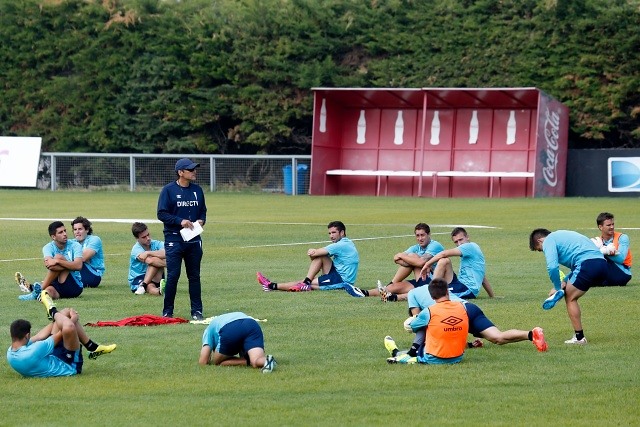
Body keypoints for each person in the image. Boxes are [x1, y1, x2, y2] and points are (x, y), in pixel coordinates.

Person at [384, 282, 547, 363]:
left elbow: (417, 322)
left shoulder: (413, 294)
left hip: (454, 314)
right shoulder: (438, 287)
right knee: (498, 337)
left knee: (429, 332)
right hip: (468, 308)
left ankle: (407, 355)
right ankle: (531, 334)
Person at [7, 290, 116, 378]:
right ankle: (52, 311)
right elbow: (64, 331)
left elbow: (40, 336)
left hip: (52, 357)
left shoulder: (11, 352)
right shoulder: (34, 351)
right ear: (26, 335)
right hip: (68, 365)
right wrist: (73, 318)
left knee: (64, 313)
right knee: (68, 325)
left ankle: (92, 347)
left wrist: (58, 317)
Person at [529, 228, 608, 345]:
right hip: (602, 264)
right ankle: (562, 290)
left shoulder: (549, 240)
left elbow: (552, 267)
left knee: (570, 298)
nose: (543, 251)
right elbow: (577, 267)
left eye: (540, 250)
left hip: (587, 264)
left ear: (540, 241)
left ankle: (579, 338)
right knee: (569, 290)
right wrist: (565, 281)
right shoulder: (562, 235)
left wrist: (556, 286)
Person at [157, 158, 207, 320]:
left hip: (193, 240)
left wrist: (201, 220)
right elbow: (162, 213)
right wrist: (180, 221)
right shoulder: (168, 190)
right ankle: (167, 311)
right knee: (173, 275)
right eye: (190, 170)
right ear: (180, 172)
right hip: (174, 240)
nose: (194, 172)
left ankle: (197, 311)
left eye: (194, 169)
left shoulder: (198, 190)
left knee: (194, 276)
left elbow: (203, 211)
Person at [256, 220, 362, 297]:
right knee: (320, 259)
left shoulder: (340, 245)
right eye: (329, 233)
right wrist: (314, 253)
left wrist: (312, 251)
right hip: (336, 273)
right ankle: (305, 283)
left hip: (341, 280)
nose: (331, 236)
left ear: (342, 233)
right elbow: (316, 257)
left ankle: (271, 285)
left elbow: (315, 253)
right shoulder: (346, 242)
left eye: (334, 232)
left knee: (306, 283)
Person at [386, 278, 469, 365]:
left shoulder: (429, 311)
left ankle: (398, 353)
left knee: (422, 325)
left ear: (432, 297)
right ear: (447, 292)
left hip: (433, 357)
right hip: (458, 357)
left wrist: (414, 319)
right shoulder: (462, 307)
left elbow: (413, 326)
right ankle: (409, 353)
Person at [358, 223, 444, 301]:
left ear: (429, 234)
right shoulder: (415, 247)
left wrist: (403, 256)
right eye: (417, 235)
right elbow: (396, 258)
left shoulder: (435, 245)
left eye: (422, 235)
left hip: (433, 281)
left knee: (412, 257)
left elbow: (421, 262)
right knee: (393, 287)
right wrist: (412, 261)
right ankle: (364, 293)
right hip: (420, 280)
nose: (420, 238)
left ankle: (393, 296)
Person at [419, 227, 495, 299]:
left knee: (439, 294)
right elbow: (482, 277)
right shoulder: (472, 251)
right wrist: (492, 296)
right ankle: (430, 291)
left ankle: (429, 293)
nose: (459, 244)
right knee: (445, 261)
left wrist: (427, 264)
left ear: (467, 237)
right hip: (459, 284)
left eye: (461, 239)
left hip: (467, 289)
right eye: (456, 242)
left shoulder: (469, 246)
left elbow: (444, 253)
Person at [17, 221, 84, 301]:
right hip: (56, 283)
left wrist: (58, 261)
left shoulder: (75, 245)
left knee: (58, 257)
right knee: (45, 294)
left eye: (65, 231)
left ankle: (38, 290)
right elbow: (49, 265)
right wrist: (63, 264)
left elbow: (78, 266)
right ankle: (39, 293)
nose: (65, 234)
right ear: (53, 237)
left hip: (74, 286)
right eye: (60, 232)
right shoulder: (48, 247)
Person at [198, 311, 276, 373]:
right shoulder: (221, 320)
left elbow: (203, 361)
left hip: (230, 328)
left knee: (218, 362)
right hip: (252, 324)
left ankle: (247, 362)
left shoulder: (208, 330)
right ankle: (266, 361)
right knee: (256, 361)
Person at [591, 212, 632, 286]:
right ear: (600, 227)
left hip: (622, 272)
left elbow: (621, 259)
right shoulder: (598, 242)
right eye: (608, 225)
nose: (612, 227)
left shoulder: (622, 237)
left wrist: (603, 250)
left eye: (613, 224)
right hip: (608, 273)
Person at [128, 222, 166, 296]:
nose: (148, 238)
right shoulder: (136, 249)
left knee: (155, 261)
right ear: (137, 238)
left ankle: (144, 286)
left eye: (148, 235)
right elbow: (151, 261)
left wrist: (148, 253)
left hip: (156, 275)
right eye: (144, 237)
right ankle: (158, 291)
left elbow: (169, 252)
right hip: (139, 277)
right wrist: (171, 263)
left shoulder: (156, 243)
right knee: (150, 285)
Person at [70, 216, 105, 288]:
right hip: (77, 273)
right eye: (75, 229)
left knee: (62, 261)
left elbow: (83, 258)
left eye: (80, 229)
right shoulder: (72, 242)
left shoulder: (94, 239)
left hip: (93, 275)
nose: (77, 232)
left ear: (87, 230)